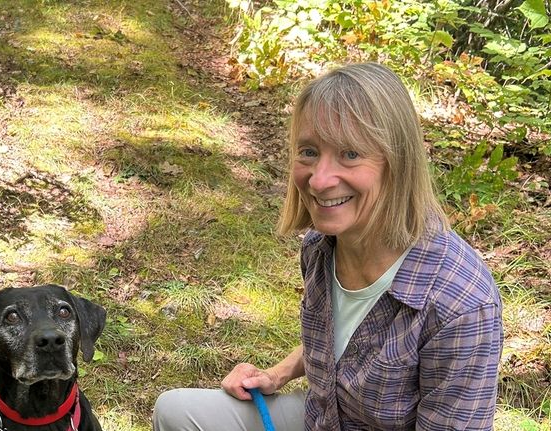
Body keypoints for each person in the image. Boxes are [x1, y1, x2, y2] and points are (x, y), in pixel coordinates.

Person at [152, 62, 503, 430]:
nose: (319, 181)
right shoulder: (322, 246)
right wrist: (277, 374)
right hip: (324, 417)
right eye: (308, 151)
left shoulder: (461, 306)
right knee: (174, 411)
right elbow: (345, 341)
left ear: (398, 161)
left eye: (350, 154)